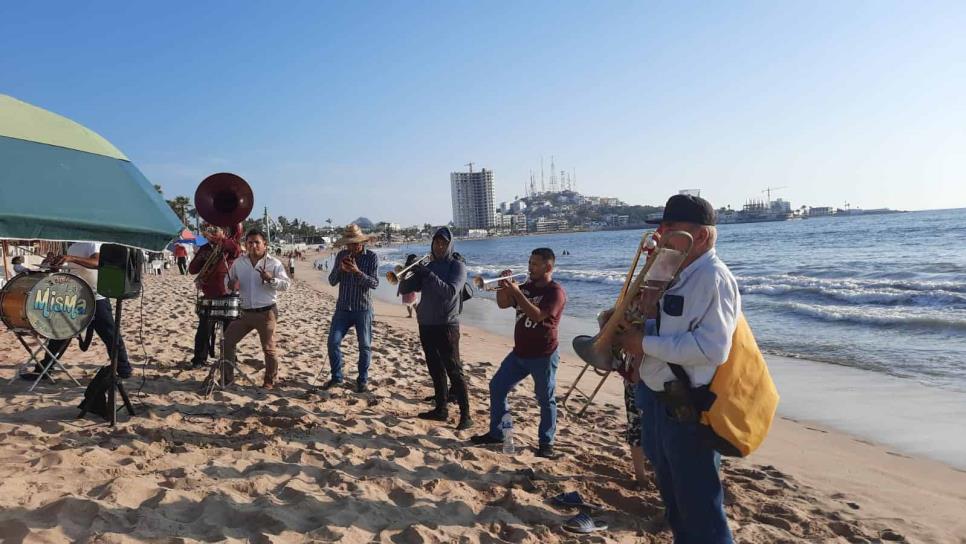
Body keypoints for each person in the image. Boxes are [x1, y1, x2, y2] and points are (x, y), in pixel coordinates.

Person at [617, 194, 739, 544]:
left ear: (699, 236)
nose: (660, 234)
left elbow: (712, 349)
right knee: (674, 501)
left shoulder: (712, 278)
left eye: (670, 228)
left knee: (701, 509)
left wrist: (644, 344)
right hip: (656, 398)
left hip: (686, 407)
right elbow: (665, 326)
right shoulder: (676, 270)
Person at [469, 248, 566, 457]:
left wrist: (517, 292)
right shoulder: (526, 286)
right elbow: (504, 304)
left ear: (548, 267)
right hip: (519, 353)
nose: (530, 267)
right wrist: (502, 287)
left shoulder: (555, 292)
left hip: (543, 355)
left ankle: (546, 444)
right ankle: (497, 433)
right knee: (496, 386)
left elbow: (538, 315)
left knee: (545, 399)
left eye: (535, 264)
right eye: (529, 262)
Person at [23, 242, 133, 380]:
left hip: (95, 297)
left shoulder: (92, 243)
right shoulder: (72, 246)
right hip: (75, 296)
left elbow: (97, 262)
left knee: (110, 334)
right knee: (61, 332)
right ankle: (45, 369)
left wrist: (71, 258)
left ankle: (124, 369)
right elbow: (72, 271)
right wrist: (53, 264)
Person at [398, 228, 471, 429]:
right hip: (426, 324)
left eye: (443, 243)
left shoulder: (457, 266)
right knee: (435, 368)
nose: (439, 246)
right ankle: (441, 409)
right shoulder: (427, 265)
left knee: (454, 370)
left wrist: (427, 273)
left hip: (447, 325)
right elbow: (404, 289)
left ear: (450, 245)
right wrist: (408, 270)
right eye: (436, 242)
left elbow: (450, 292)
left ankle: (466, 415)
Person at [223, 229, 290, 389]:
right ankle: (228, 379)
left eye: (257, 242)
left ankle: (269, 380)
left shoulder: (274, 263)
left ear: (265, 244)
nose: (253, 246)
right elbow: (228, 281)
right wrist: (230, 285)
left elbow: (286, 285)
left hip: (267, 313)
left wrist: (271, 279)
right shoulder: (239, 262)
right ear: (245, 245)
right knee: (227, 342)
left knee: (268, 348)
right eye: (250, 242)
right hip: (244, 312)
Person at [323, 224, 379, 393]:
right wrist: (340, 269)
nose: (352, 247)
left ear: (362, 242)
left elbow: (374, 283)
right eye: (349, 244)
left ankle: (362, 380)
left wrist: (356, 271)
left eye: (355, 243)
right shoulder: (341, 255)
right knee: (333, 342)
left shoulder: (371, 257)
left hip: (363, 308)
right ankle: (337, 378)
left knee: (365, 346)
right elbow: (332, 281)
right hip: (343, 308)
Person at [187, 225, 241, 369]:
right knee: (204, 330)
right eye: (210, 230)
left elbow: (237, 251)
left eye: (216, 229)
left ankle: (230, 358)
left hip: (228, 295)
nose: (212, 232)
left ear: (224, 232)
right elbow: (192, 269)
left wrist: (222, 241)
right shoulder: (205, 248)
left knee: (229, 332)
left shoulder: (230, 246)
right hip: (209, 295)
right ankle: (199, 359)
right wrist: (202, 256)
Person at [397, 254, 420, 318]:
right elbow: (402, 279)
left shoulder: (406, 267)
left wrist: (399, 290)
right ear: (412, 260)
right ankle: (418, 314)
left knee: (409, 304)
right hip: (409, 287)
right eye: (415, 259)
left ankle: (410, 315)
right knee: (414, 304)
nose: (416, 260)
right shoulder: (412, 267)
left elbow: (401, 279)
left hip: (405, 287)